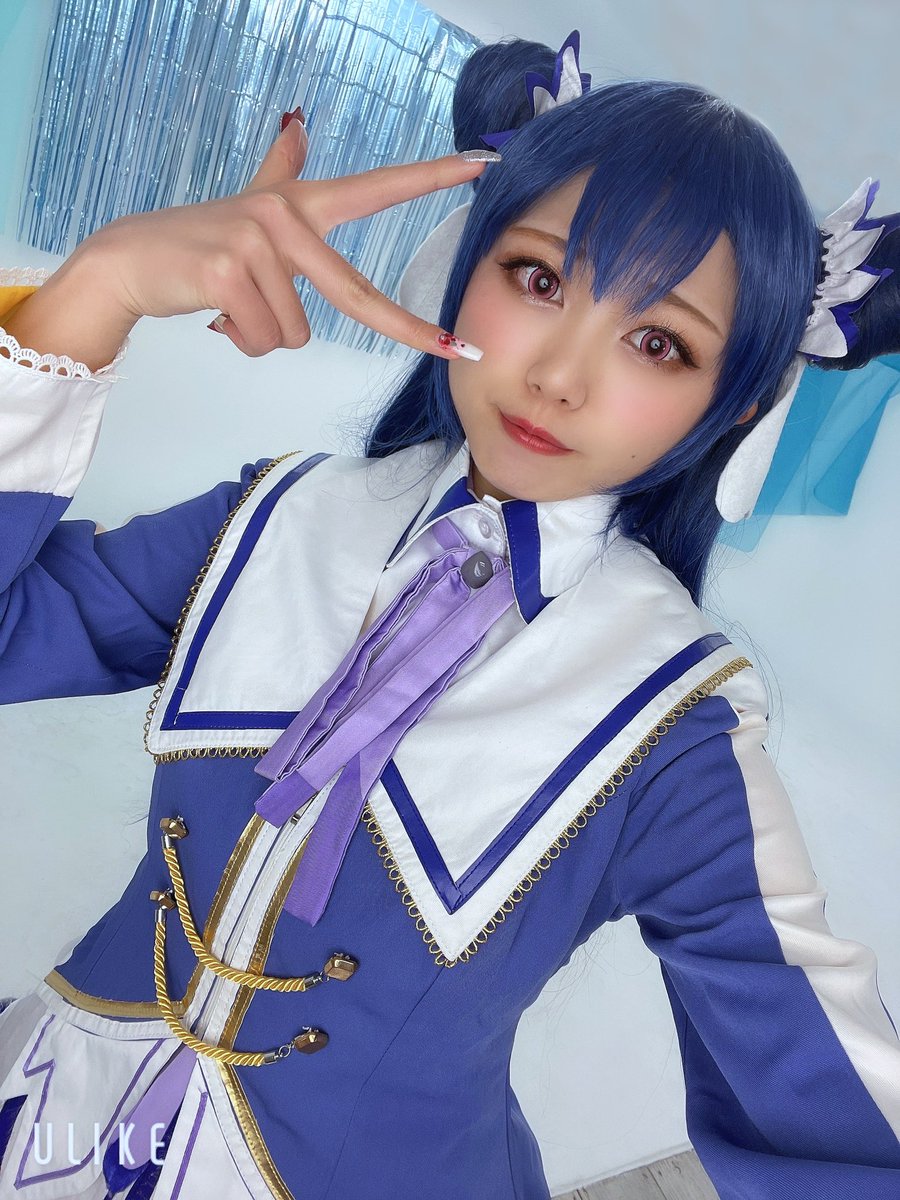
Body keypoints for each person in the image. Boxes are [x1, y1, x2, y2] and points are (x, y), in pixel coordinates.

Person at [1, 27, 899, 1200]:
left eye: (658, 341)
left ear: (732, 408)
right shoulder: (276, 516)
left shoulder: (673, 729)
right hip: (47, 1111)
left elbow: (837, 1125)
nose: (559, 375)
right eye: (540, 279)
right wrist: (98, 287)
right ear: (466, 262)